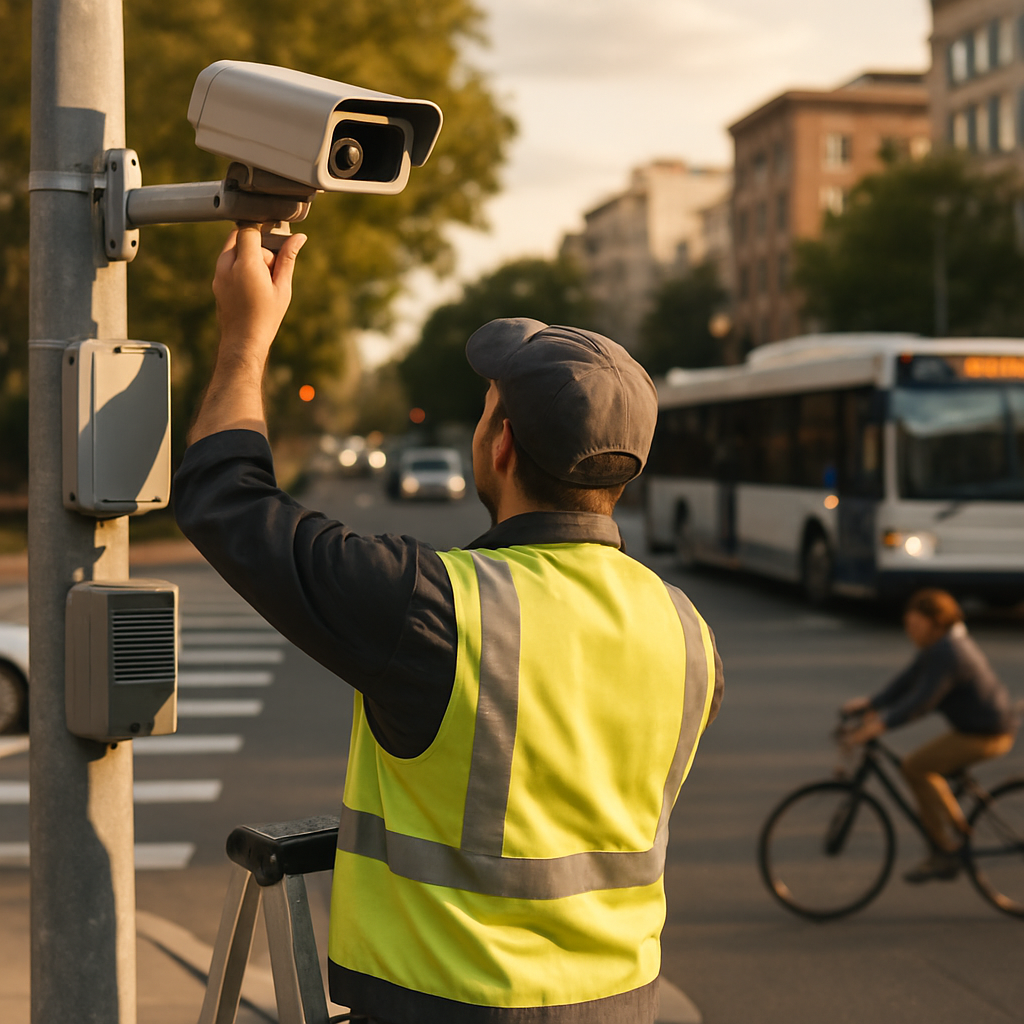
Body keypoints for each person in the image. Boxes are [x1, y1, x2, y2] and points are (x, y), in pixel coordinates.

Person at [173, 226, 724, 1024]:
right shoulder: (686, 629)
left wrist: (245, 337)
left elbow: (226, 500)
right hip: (619, 1003)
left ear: (499, 445)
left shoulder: (436, 607)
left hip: (449, 1002)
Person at [842, 588, 1016, 884]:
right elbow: (906, 681)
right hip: (975, 727)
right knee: (920, 766)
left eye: (915, 625)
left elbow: (922, 701)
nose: (910, 631)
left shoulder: (949, 653)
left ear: (936, 622)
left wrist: (880, 723)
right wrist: (872, 703)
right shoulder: (940, 645)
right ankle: (950, 836)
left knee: (916, 766)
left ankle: (948, 845)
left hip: (988, 734)